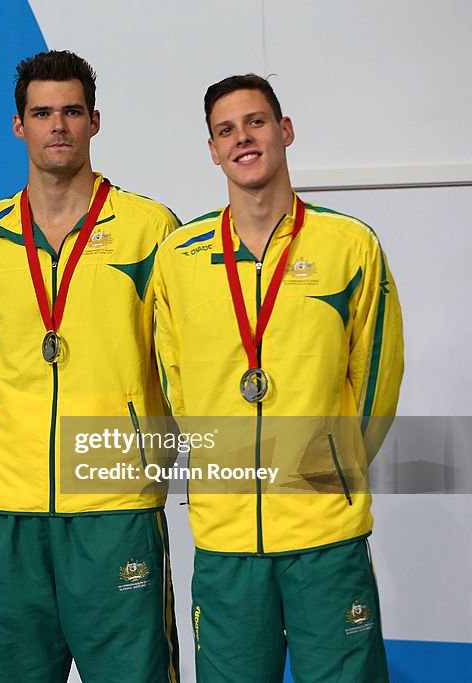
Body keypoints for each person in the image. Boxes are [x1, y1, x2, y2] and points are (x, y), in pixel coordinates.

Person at [152, 74, 404, 682]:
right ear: (212, 150)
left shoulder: (349, 245)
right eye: (226, 129)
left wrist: (330, 469)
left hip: (325, 534)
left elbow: (376, 381)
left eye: (256, 122)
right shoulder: (179, 260)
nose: (243, 138)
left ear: (285, 131)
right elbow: (176, 385)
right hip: (226, 539)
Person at [0, 50, 181, 682]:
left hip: (115, 502)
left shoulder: (150, 229)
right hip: (7, 512)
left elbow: (177, 360)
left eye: (72, 111)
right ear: (18, 125)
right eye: (42, 112)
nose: (58, 125)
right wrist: (6, 432)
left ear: (95, 121)